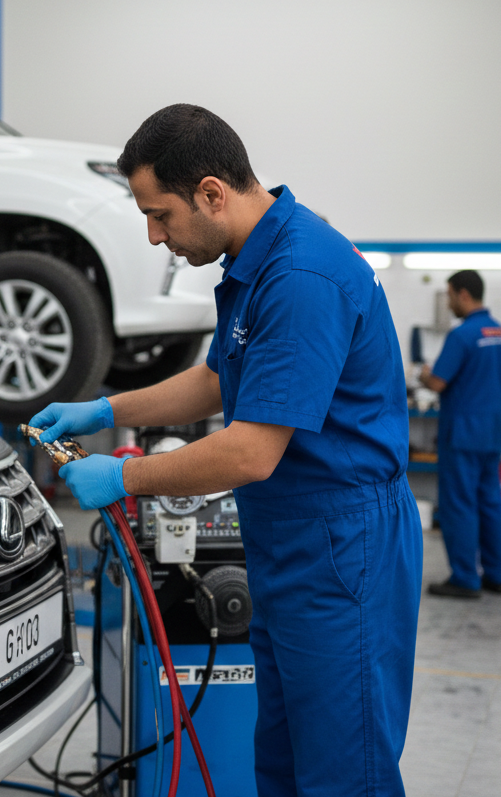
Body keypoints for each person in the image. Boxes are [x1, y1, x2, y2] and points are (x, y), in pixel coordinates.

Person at [29, 104, 422, 797]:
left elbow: (249, 454)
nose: (154, 236)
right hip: (291, 543)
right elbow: (219, 378)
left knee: (341, 773)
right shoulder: (257, 259)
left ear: (212, 193)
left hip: (341, 548)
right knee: (283, 764)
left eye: (161, 215)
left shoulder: (301, 275)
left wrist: (127, 476)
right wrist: (105, 407)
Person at [419, 270, 501, 598]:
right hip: (492, 429)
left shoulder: (462, 335)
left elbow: (438, 383)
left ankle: (465, 578)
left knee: (458, 504)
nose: (448, 302)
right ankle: (497, 575)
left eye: (449, 295)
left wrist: (426, 374)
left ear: (462, 294)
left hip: (462, 432)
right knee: (489, 501)